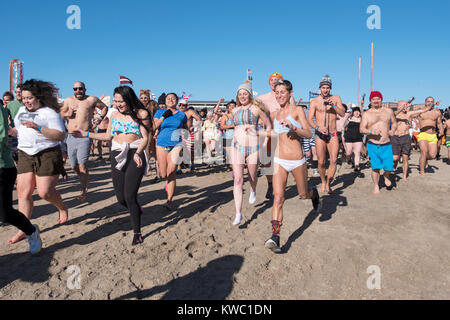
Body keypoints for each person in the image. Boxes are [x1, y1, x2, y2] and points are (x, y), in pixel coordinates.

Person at [72, 86, 150, 245]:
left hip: (135, 153)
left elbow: (146, 137)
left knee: (130, 196)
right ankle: (136, 209)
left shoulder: (142, 114)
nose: (117, 104)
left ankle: (137, 232)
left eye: (120, 101)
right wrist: (86, 134)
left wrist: (138, 152)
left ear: (129, 99)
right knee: (121, 199)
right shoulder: (114, 115)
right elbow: (108, 135)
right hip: (116, 153)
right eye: (115, 101)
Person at [7, 79, 68, 244]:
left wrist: (39, 128)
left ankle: (62, 207)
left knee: (44, 192)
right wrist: (9, 131)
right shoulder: (20, 111)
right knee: (23, 192)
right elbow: (19, 131)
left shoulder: (50, 113)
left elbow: (61, 135)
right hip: (25, 153)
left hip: (47, 153)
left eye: (29, 98)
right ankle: (23, 228)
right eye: (24, 98)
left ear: (38, 97)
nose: (26, 101)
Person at [264, 80, 321, 253]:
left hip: (297, 160)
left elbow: (308, 133)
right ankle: (275, 237)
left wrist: (293, 127)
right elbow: (271, 135)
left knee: (303, 195)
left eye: (282, 92)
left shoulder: (297, 111)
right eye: (277, 92)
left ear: (290, 93)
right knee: (278, 198)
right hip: (279, 160)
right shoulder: (273, 115)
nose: (279, 95)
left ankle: (313, 193)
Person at [1, 100, 42, 254]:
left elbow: (2, 135)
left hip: (3, 167)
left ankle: (30, 231)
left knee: (4, 214)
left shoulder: (1, 110)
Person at [230, 81, 272, 226]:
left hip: (254, 147)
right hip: (237, 147)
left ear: (249, 94)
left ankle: (253, 190)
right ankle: (238, 213)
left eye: (245, 93)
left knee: (252, 175)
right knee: (238, 180)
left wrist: (265, 141)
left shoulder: (255, 109)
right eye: (240, 94)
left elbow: (268, 125)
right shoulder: (234, 111)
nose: (242, 96)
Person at [60, 82, 107, 201]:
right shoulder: (68, 100)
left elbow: (104, 107)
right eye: (75, 89)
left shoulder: (91, 100)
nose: (78, 91)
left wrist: (99, 119)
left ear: (84, 89)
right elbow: (61, 114)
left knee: (82, 166)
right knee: (73, 166)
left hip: (84, 136)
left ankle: (83, 190)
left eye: (80, 88)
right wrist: (67, 114)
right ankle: (84, 178)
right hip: (70, 137)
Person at [256, 72, 297, 200]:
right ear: (269, 83)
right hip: (269, 133)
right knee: (267, 162)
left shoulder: (287, 97)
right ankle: (270, 184)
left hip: (284, 133)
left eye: (277, 80)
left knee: (282, 161)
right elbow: (254, 110)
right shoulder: (262, 98)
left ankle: (279, 186)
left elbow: (294, 113)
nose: (274, 81)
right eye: (272, 80)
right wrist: (259, 120)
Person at [307, 75, 346, 193]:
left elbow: (343, 113)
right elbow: (309, 120)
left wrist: (333, 106)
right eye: (323, 87)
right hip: (320, 134)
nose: (325, 90)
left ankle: (329, 183)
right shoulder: (314, 101)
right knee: (321, 161)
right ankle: (323, 181)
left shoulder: (336, 98)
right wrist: (317, 128)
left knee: (333, 160)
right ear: (320, 88)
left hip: (333, 134)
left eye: (327, 88)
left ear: (330, 88)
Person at [153, 93, 188, 211]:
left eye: (173, 98)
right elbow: (153, 127)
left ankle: (169, 200)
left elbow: (185, 129)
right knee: (164, 174)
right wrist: (164, 116)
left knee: (172, 171)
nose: (171, 100)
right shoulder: (159, 112)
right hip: (161, 144)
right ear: (166, 101)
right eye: (169, 99)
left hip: (176, 144)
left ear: (177, 101)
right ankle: (168, 185)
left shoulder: (182, 114)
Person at [360, 91, 397, 194]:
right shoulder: (367, 114)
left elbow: (394, 123)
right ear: (370, 101)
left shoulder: (388, 111)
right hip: (373, 144)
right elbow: (362, 129)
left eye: (378, 99)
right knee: (375, 168)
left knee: (390, 166)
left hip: (387, 144)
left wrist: (393, 130)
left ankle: (386, 175)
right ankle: (376, 186)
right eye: (373, 99)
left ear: (381, 100)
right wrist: (371, 131)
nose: (376, 101)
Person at [392, 100, 432, 180]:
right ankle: (395, 165)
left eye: (406, 105)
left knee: (405, 158)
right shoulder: (394, 114)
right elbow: (394, 114)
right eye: (403, 105)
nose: (405, 107)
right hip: (395, 137)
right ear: (398, 106)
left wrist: (431, 105)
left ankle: (404, 176)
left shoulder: (409, 114)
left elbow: (422, 110)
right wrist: (402, 108)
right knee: (395, 158)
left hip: (406, 137)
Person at [416, 97, 444, 176]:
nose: (430, 103)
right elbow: (412, 114)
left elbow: (439, 123)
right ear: (425, 102)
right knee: (424, 152)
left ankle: (425, 160)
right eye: (428, 101)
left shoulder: (437, 112)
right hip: (423, 134)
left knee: (432, 155)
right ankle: (422, 171)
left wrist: (441, 130)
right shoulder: (421, 111)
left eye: (432, 101)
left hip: (433, 135)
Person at [140, 90, 161, 182]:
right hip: (140, 132)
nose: (144, 99)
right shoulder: (137, 106)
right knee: (143, 152)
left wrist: (156, 131)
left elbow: (156, 120)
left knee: (153, 153)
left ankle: (158, 175)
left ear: (149, 98)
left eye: (145, 98)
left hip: (151, 132)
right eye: (142, 98)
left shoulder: (153, 106)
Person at [178, 99, 201, 172]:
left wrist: (193, 126)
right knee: (179, 150)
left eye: (183, 105)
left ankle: (192, 164)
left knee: (191, 149)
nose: (181, 106)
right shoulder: (176, 112)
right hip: (179, 133)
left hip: (189, 133)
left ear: (186, 106)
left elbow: (199, 119)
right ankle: (178, 167)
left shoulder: (190, 111)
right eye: (180, 105)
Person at [344, 107, 364, 172]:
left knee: (357, 152)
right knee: (348, 152)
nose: (357, 112)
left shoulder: (362, 120)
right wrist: (347, 118)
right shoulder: (349, 119)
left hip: (358, 138)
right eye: (355, 111)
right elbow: (343, 126)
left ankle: (356, 166)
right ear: (353, 112)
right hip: (349, 138)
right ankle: (349, 160)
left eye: (358, 111)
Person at [220, 100, 237, 168]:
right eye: (230, 106)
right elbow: (222, 126)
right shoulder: (225, 116)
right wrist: (231, 126)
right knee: (230, 155)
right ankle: (234, 171)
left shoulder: (238, 116)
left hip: (237, 137)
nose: (232, 107)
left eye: (234, 106)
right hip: (227, 137)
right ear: (228, 108)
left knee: (236, 155)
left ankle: (235, 170)